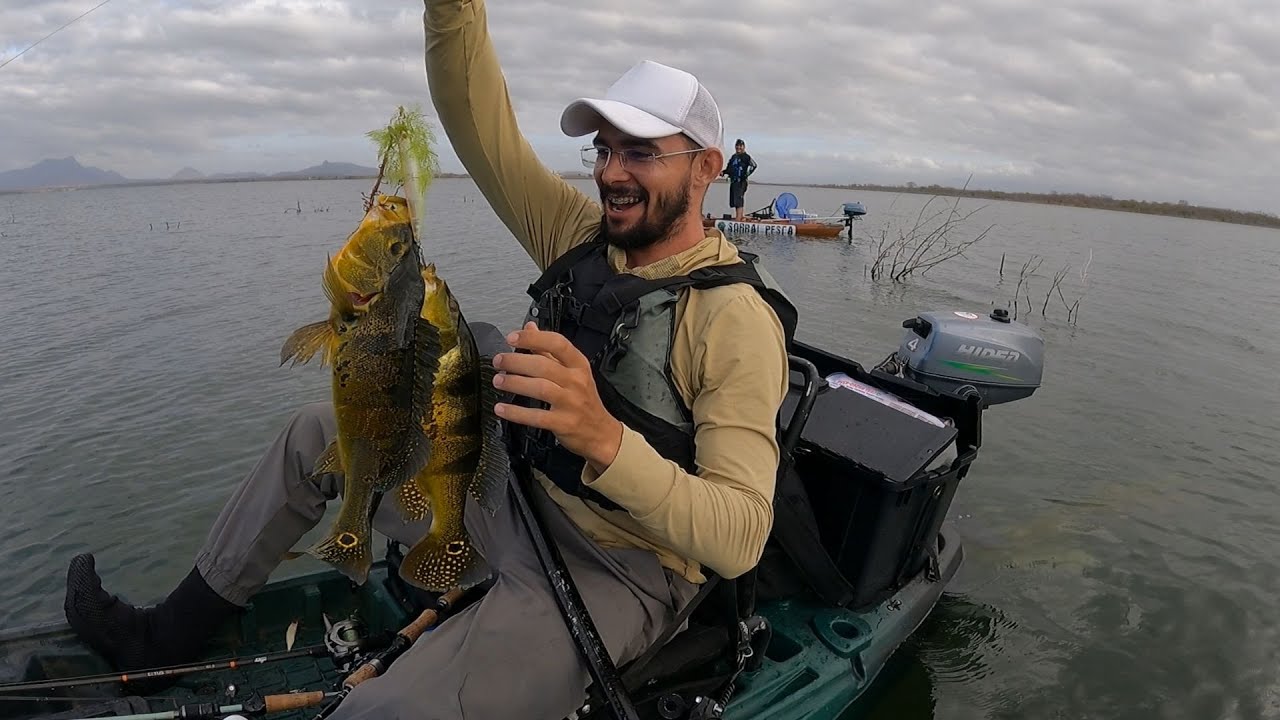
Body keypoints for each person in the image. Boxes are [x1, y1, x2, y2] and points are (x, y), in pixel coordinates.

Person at [61, 0, 795, 717]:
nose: (611, 172)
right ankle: (162, 640)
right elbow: (478, 125)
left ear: (705, 169)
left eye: (641, 152)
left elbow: (738, 537)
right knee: (314, 437)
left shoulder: (734, 319)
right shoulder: (581, 236)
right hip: (503, 498)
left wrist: (604, 438)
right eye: (603, 149)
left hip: (616, 570)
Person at [721, 138, 757, 221]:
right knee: (734, 200)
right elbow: (729, 168)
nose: (738, 148)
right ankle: (739, 216)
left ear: (744, 147)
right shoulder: (734, 157)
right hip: (733, 181)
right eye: (737, 146)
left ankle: (739, 218)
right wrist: (724, 172)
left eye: (740, 146)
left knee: (739, 199)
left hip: (741, 181)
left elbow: (754, 165)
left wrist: (746, 175)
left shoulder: (746, 157)